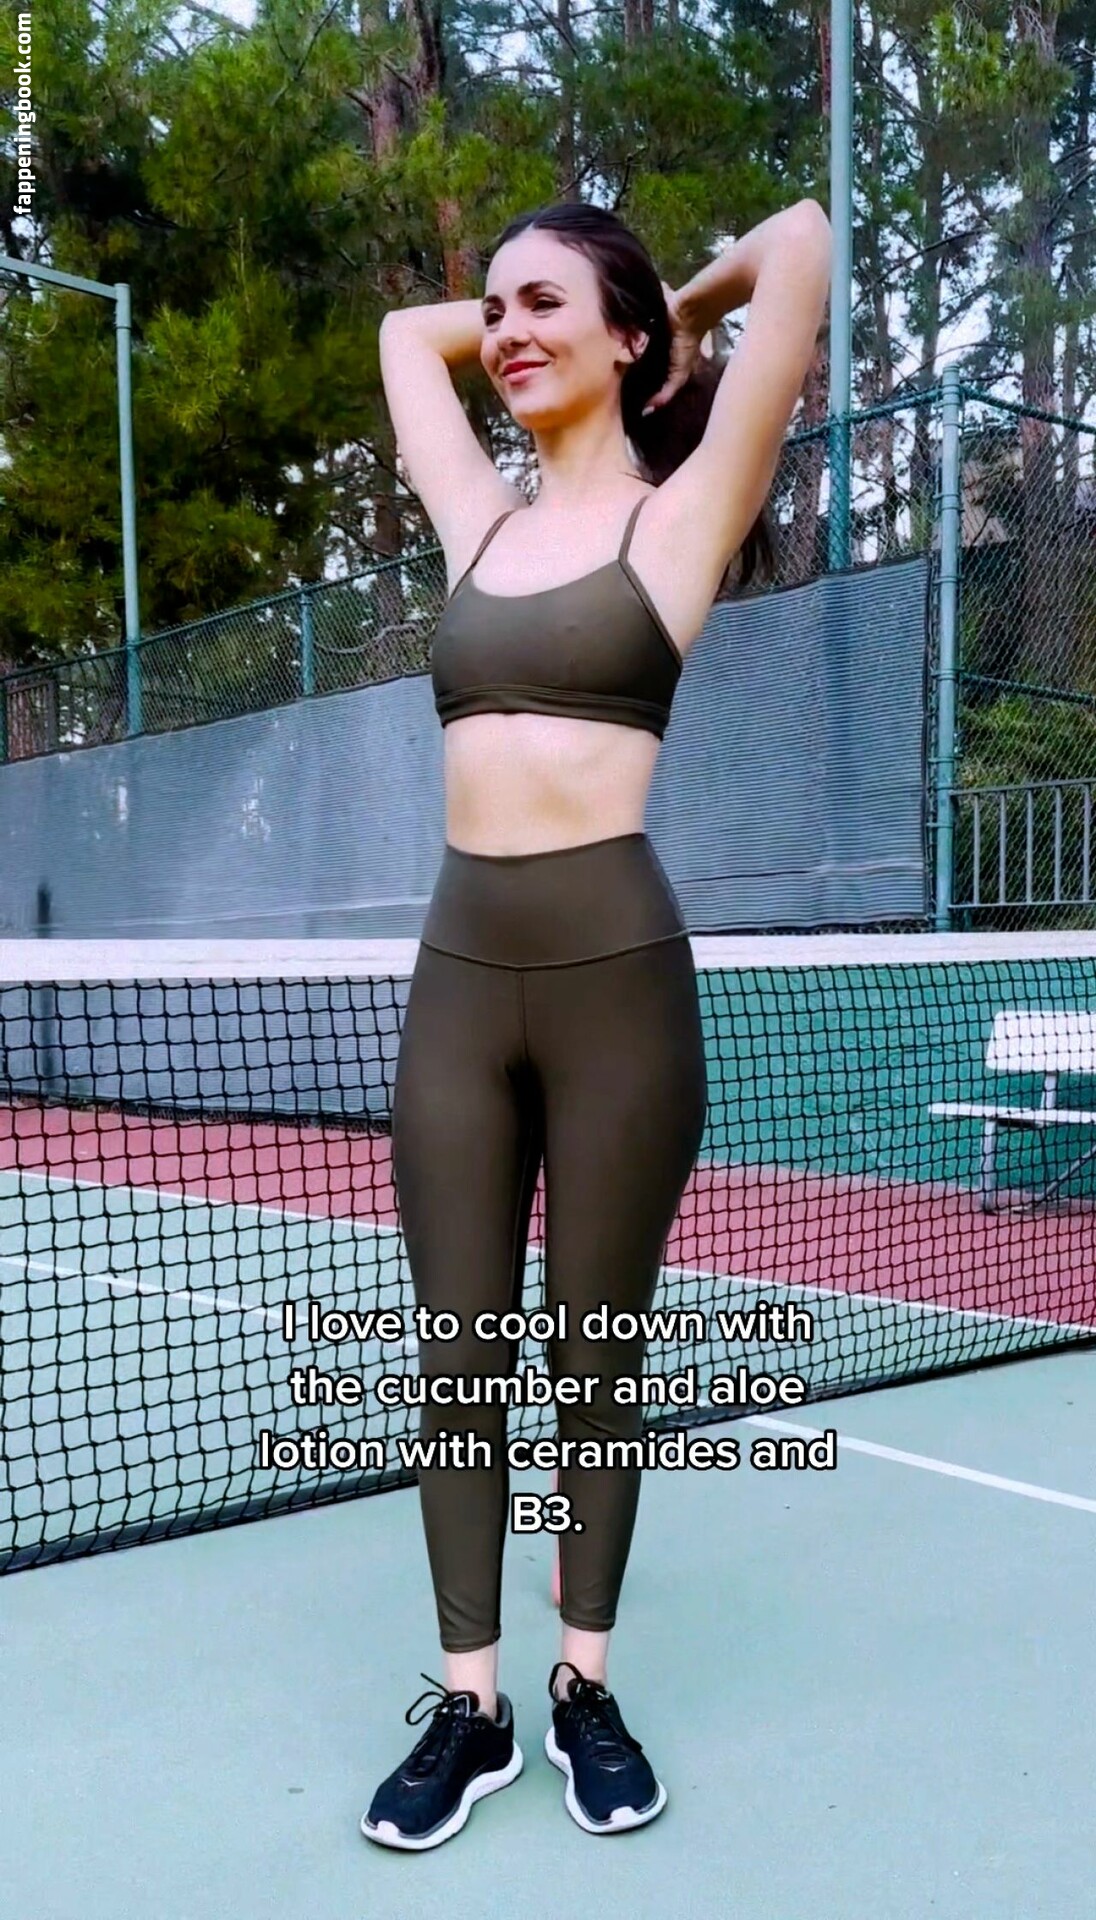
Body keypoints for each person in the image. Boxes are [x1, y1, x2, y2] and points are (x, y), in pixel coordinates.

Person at [362, 195, 832, 1850]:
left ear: (626, 340)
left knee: (595, 1353)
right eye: (496, 308)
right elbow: (403, 339)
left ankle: (582, 1685)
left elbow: (803, 241)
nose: (504, 332)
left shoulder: (684, 515)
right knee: (456, 1358)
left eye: (545, 304)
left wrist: (675, 315)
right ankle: (470, 1708)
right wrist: (540, 312)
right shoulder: (476, 523)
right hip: (457, 978)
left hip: (617, 984)